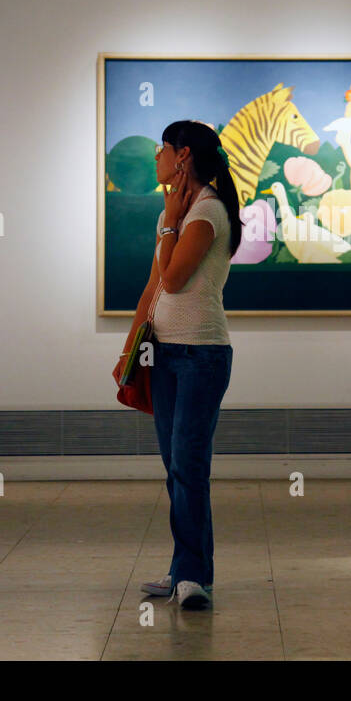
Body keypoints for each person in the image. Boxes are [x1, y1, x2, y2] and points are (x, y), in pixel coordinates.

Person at [113, 120, 243, 609]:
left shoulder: (206, 211)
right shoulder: (173, 212)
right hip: (164, 351)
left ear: (183, 155)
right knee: (174, 467)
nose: (156, 159)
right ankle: (182, 568)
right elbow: (151, 289)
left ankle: (194, 576)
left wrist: (170, 223)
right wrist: (129, 350)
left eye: (161, 151)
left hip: (202, 354)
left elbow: (171, 277)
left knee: (189, 465)